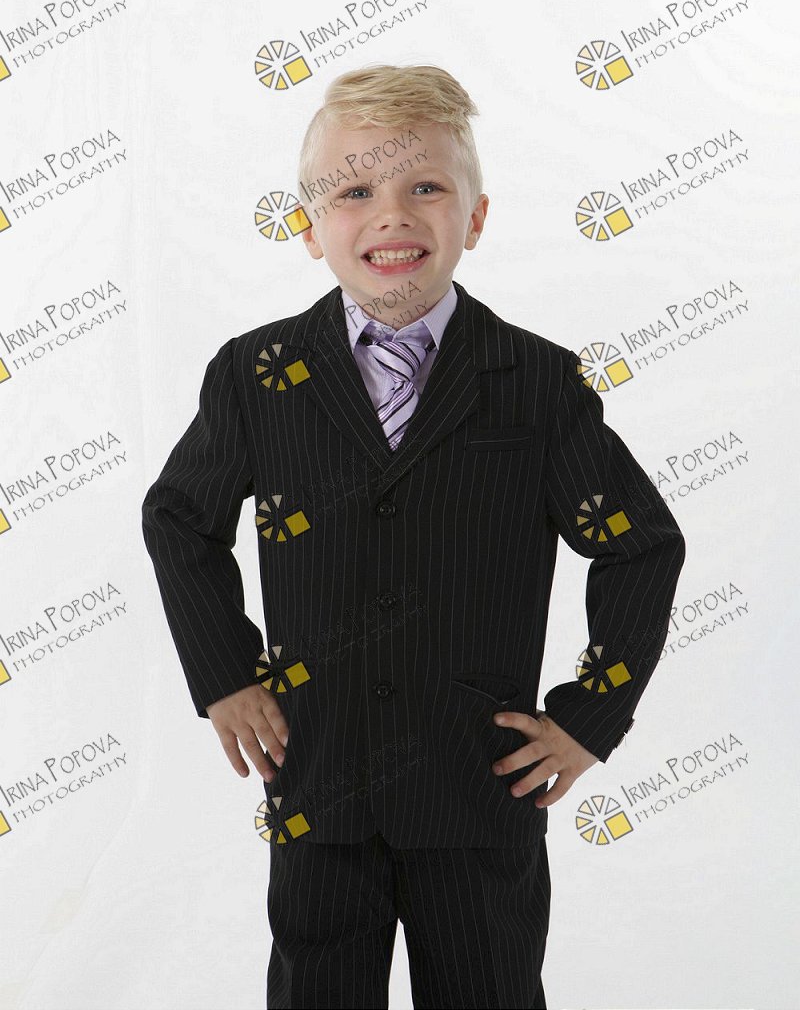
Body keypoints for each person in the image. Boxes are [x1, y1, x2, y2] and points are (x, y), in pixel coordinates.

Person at [141, 63, 687, 1009]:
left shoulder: (537, 382)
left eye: (425, 187)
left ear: (475, 218)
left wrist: (588, 718)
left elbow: (639, 545)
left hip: (478, 786)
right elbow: (180, 518)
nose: (390, 216)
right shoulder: (256, 374)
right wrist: (226, 674)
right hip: (318, 780)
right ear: (309, 225)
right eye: (353, 192)